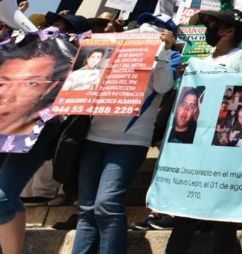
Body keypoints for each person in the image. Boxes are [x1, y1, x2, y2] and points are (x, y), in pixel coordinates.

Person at [165, 9, 242, 254]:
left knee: (223, 215)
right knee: (185, 213)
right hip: (196, 146)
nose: (207, 27)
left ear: (228, 31)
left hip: (225, 147)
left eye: (212, 24)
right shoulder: (201, 62)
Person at [70, 27, 176, 254]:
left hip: (130, 142)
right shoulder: (113, 53)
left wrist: (165, 51)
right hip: (94, 137)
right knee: (87, 209)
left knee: (107, 204)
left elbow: (164, 86)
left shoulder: (162, 57)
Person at [0, 33, 76, 254]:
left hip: (38, 131)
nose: (10, 94)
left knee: (3, 197)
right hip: (5, 128)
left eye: (31, 83)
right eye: (5, 82)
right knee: (8, 197)